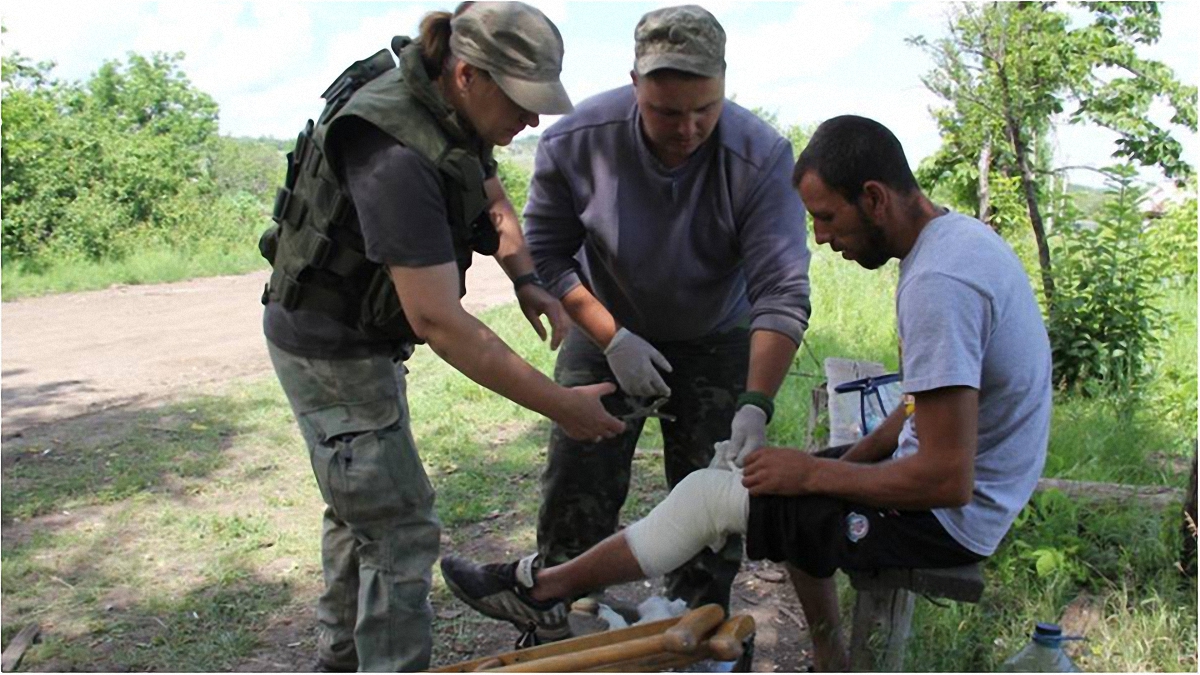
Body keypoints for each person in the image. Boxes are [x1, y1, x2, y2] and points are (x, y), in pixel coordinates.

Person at [440, 115, 1052, 671]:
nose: (819, 237)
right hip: (962, 491)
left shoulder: (938, 283)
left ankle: (541, 589)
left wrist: (812, 477)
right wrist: (837, 461)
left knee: (718, 497)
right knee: (773, 481)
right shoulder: (955, 241)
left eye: (828, 217)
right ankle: (829, 652)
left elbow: (946, 478)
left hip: (950, 519)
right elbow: (920, 405)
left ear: (874, 198)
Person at [258, 3, 626, 670]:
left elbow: (487, 192)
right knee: (398, 528)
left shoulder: (445, 105)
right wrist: (560, 402)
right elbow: (438, 320)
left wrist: (524, 275)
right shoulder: (393, 148)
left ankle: (340, 660)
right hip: (328, 348)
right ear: (467, 75)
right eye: (522, 100)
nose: (533, 119)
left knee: (361, 511)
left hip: (359, 339)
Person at [521, 3, 812, 623]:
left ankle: (695, 629)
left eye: (704, 110)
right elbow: (545, 250)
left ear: (725, 86)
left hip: (717, 338)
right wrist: (611, 335)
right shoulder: (577, 141)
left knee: (712, 498)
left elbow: (781, 292)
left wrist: (755, 404)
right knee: (577, 485)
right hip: (605, 327)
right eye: (666, 113)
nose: (687, 130)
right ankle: (565, 615)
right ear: (634, 87)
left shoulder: (759, 158)